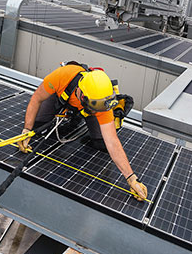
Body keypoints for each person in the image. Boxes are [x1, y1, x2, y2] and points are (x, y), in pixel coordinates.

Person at [19, 63, 148, 201]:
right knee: (38, 125)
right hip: (61, 95)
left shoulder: (101, 104)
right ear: (82, 95)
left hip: (86, 109)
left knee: (101, 143)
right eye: (95, 108)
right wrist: (27, 129)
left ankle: (78, 117)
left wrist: (132, 178)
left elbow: (112, 141)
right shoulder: (62, 76)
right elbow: (36, 99)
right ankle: (71, 115)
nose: (99, 112)